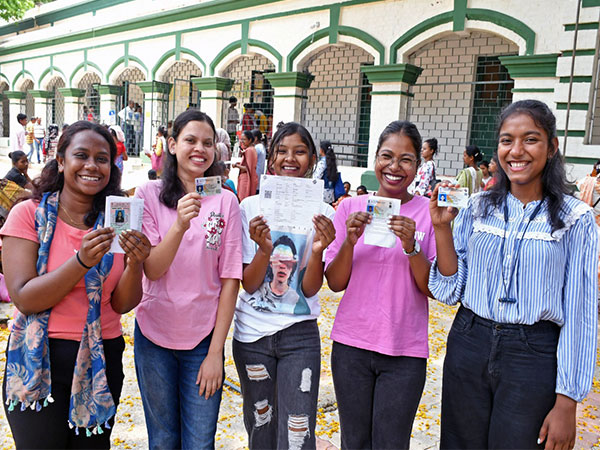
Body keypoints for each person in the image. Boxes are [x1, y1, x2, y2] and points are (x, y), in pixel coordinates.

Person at [428, 99, 598, 449]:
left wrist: (568, 400)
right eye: (507, 140)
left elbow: (581, 311)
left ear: (551, 147)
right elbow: (449, 290)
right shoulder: (477, 207)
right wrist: (442, 230)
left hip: (533, 353)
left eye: (530, 139)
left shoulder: (576, 218)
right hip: (469, 340)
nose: (516, 151)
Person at [0, 120, 151, 448]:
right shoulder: (29, 214)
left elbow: (122, 305)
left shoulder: (116, 222)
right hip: (39, 361)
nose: (92, 166)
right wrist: (81, 261)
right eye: (81, 155)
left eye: (102, 158)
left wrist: (136, 262)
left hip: (101, 357)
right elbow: (25, 298)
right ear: (61, 160)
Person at [133, 109, 242, 449]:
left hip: (202, 340)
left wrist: (215, 353)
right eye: (190, 140)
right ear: (172, 144)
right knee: (163, 440)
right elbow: (152, 268)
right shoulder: (148, 194)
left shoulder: (225, 201)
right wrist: (180, 224)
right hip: (154, 337)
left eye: (208, 143)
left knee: (199, 441)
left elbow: (230, 279)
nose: (200, 149)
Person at [325, 120, 436, 449]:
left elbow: (433, 288)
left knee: (391, 443)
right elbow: (335, 282)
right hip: (352, 347)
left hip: (405, 351)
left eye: (406, 159)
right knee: (354, 441)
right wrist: (349, 241)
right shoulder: (350, 207)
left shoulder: (428, 216)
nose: (395, 167)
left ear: (418, 165)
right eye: (387, 156)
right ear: (375, 158)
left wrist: (411, 247)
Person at [232, 122, 336, 449]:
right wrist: (264, 249)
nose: (290, 158)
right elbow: (248, 286)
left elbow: (309, 290)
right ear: (271, 158)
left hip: (299, 336)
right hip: (252, 336)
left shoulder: (323, 213)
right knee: (261, 426)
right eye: (282, 151)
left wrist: (317, 250)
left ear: (311, 160)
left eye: (300, 151)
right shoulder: (250, 208)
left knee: (297, 432)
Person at [312, 140, 340, 204]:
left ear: (321, 150)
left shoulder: (322, 163)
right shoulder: (332, 162)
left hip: (322, 193)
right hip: (331, 193)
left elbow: (316, 177)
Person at [234, 130, 258, 201]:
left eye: (244, 139)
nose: (242, 141)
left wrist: (236, 165)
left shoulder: (249, 150)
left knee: (242, 201)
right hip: (248, 178)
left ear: (250, 140)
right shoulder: (252, 149)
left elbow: (247, 168)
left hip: (245, 179)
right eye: (241, 139)